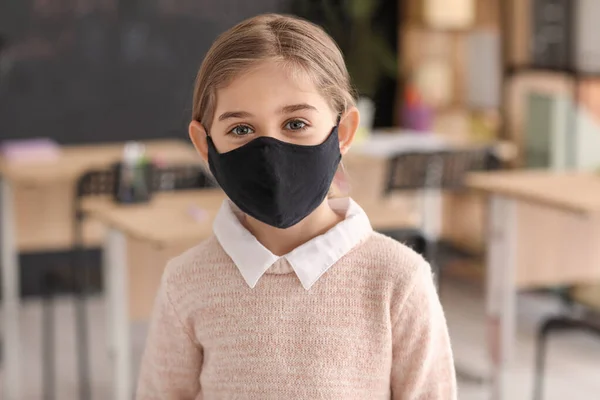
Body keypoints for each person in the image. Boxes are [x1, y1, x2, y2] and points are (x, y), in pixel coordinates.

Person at [136, 13, 456, 399]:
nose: (269, 152)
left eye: (295, 123)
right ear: (205, 145)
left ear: (343, 132)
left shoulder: (399, 281)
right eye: (241, 129)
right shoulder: (185, 283)